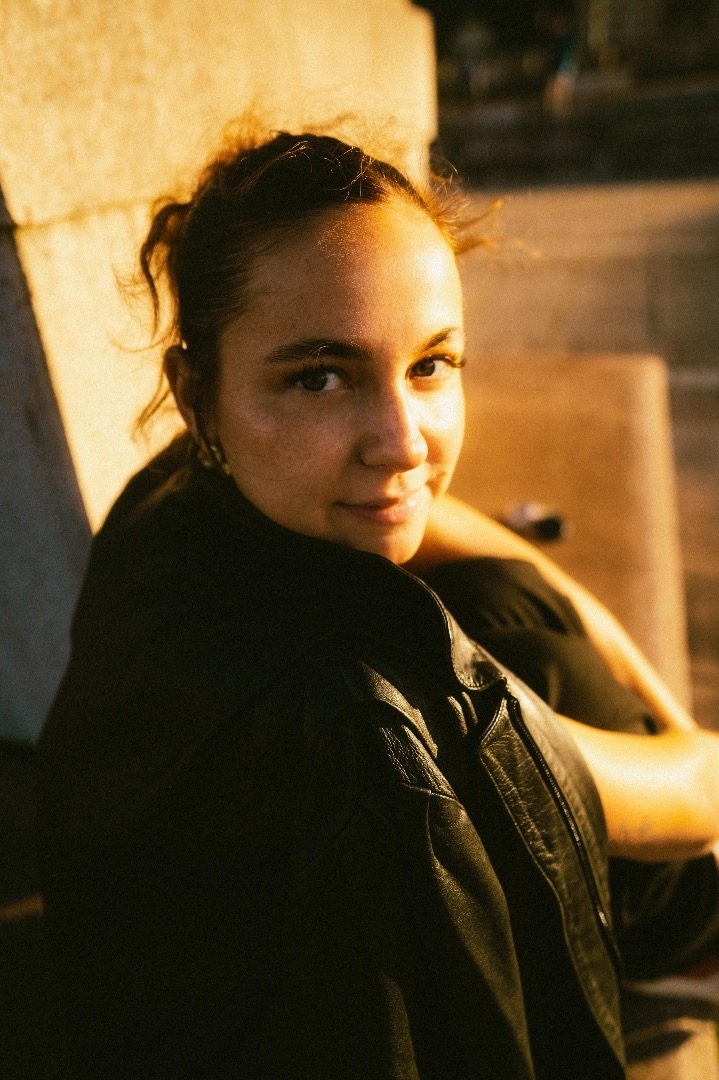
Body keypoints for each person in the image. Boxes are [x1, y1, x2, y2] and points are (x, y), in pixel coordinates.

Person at [36, 131, 719, 1079]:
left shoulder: (182, 490)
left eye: (431, 365)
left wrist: (609, 649)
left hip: (127, 951)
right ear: (196, 392)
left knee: (508, 603)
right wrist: (669, 727)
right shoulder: (373, 726)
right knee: (539, 663)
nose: (403, 443)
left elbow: (469, 534)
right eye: (320, 377)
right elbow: (698, 794)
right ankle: (689, 945)